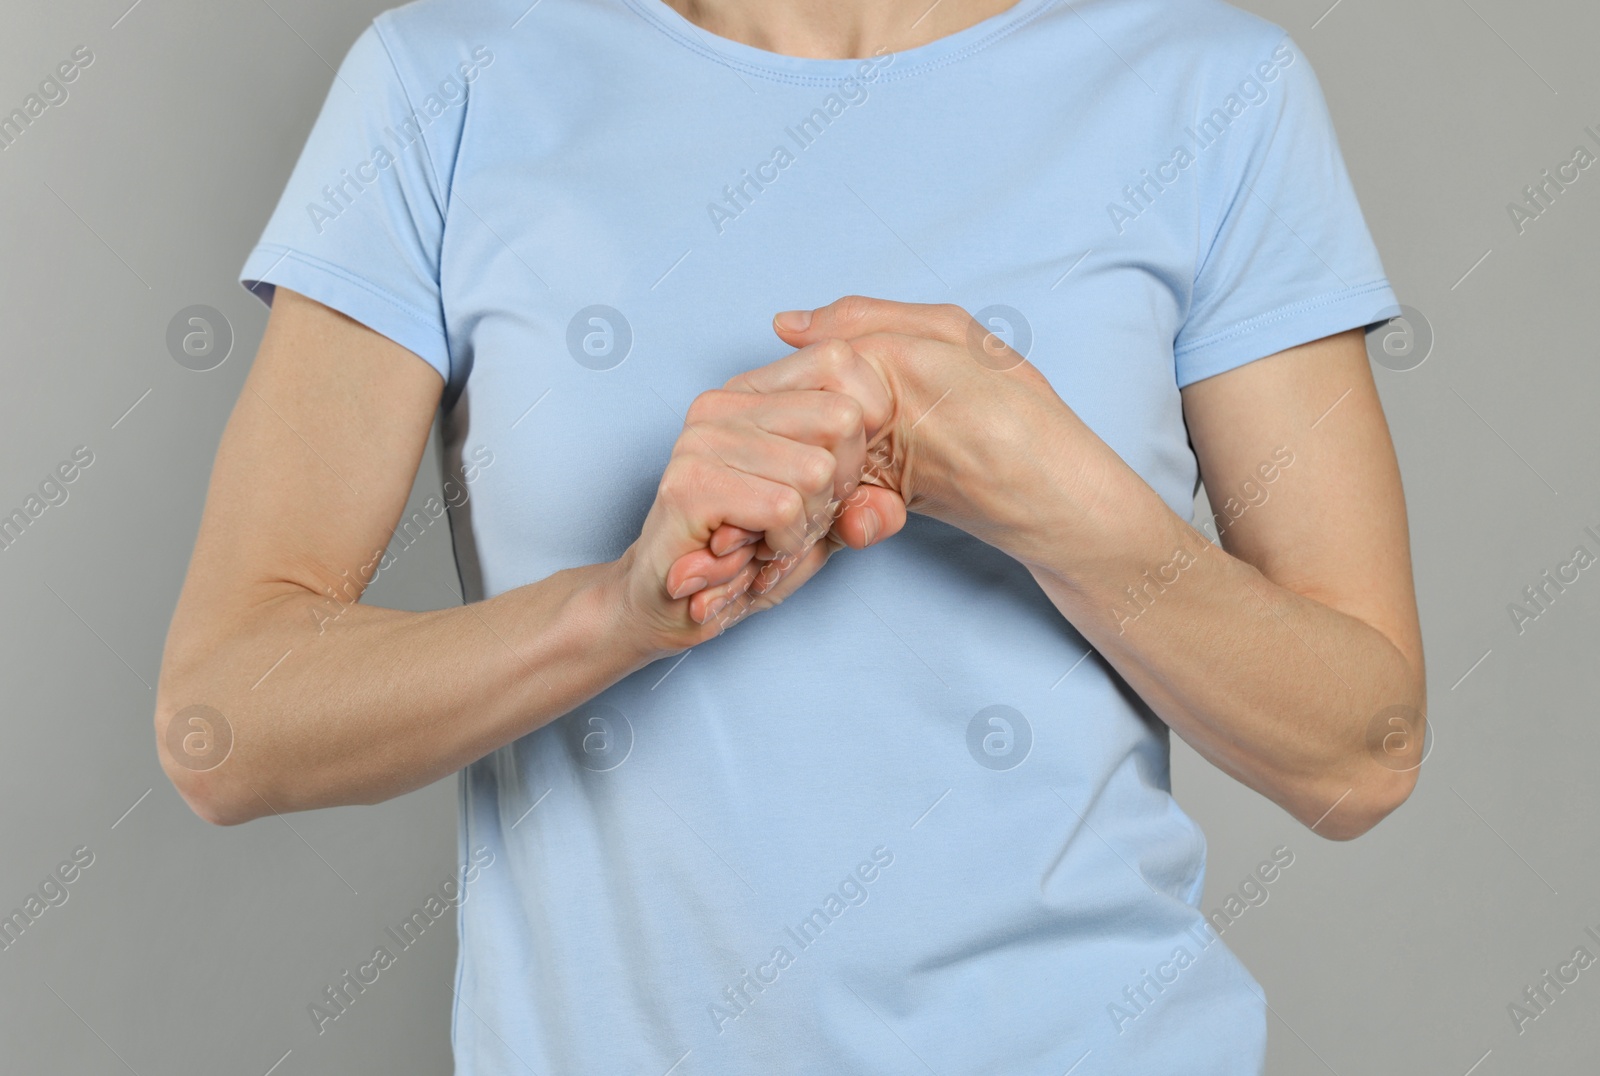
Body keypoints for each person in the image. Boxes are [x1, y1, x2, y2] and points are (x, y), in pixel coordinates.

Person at [155, 0, 1426, 1070]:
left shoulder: (1211, 90)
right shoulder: (449, 77)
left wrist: (1050, 495)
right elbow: (227, 723)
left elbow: (1360, 750)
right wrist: (616, 613)